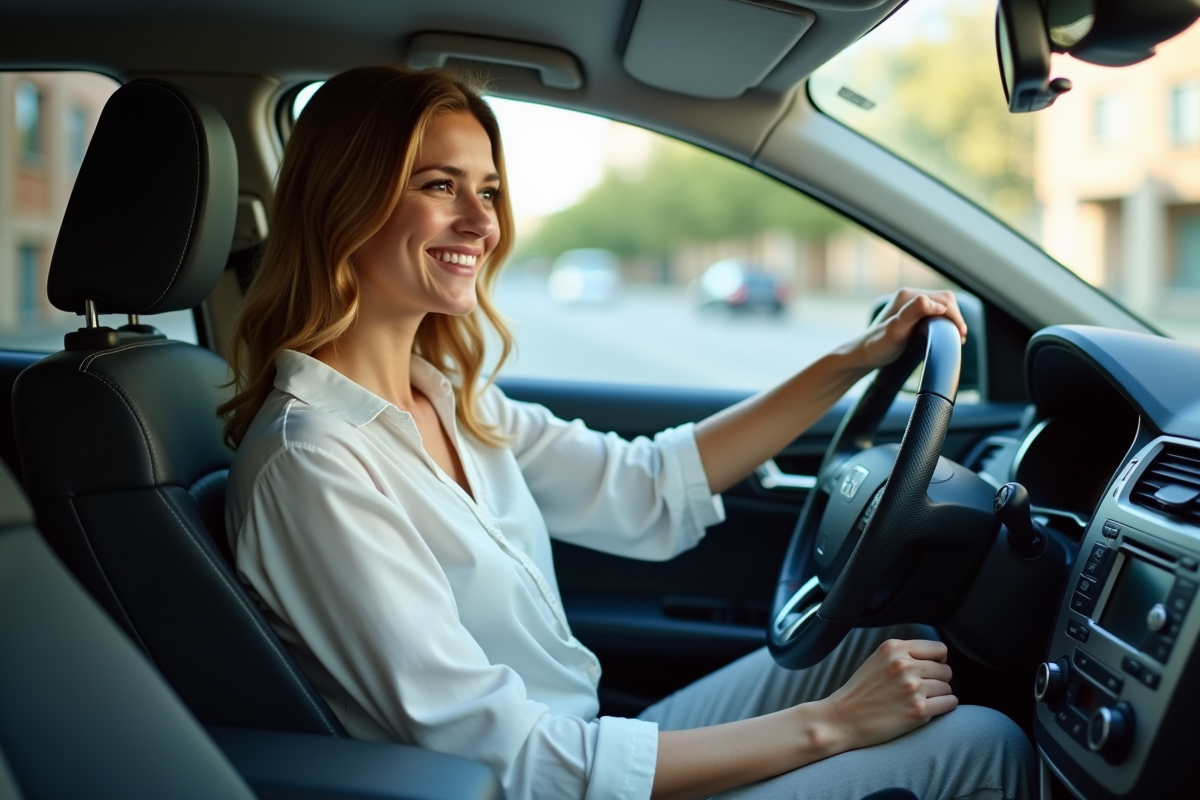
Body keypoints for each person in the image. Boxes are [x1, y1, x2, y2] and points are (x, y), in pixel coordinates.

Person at [221, 66, 1033, 800]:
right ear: (345, 200)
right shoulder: (313, 461)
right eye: (441, 186)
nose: (481, 223)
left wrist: (851, 360)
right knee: (980, 745)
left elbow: (646, 486)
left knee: (889, 628)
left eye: (490, 192)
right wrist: (833, 726)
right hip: (539, 780)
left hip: (579, 746)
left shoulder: (451, 399)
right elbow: (507, 761)